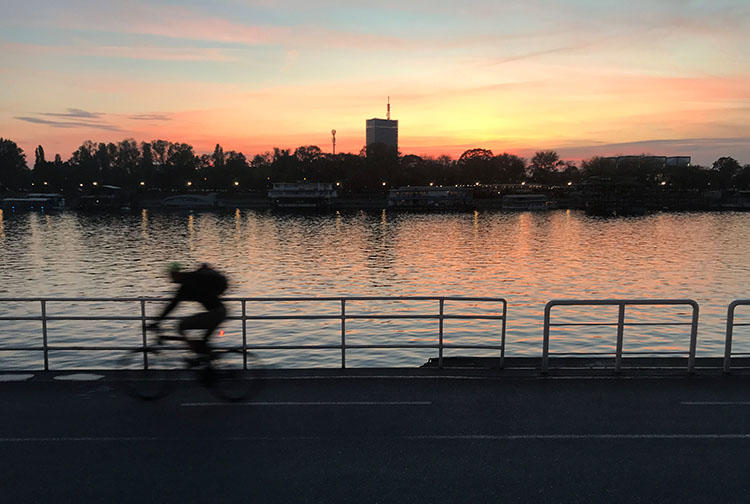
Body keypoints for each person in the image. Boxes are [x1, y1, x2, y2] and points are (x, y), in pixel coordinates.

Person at [148, 262, 228, 364]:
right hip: (220, 312)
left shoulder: (186, 285)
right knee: (203, 343)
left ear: (175, 274)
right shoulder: (191, 278)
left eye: (171, 275)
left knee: (181, 325)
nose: (171, 279)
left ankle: (199, 355)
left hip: (215, 314)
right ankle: (204, 360)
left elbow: (171, 306)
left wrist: (157, 322)